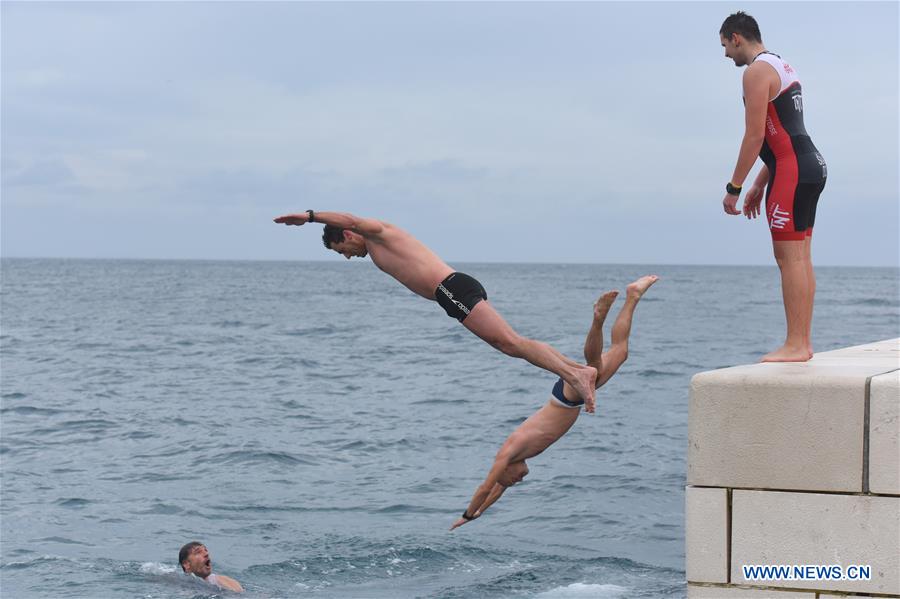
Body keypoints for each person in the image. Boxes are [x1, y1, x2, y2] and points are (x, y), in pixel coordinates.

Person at [274, 210, 599, 409]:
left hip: (451, 288)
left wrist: (311, 216)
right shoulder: (373, 249)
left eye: (341, 249)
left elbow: (353, 219)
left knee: (509, 343)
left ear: (346, 235)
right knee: (510, 343)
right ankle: (578, 370)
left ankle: (574, 375)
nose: (345, 256)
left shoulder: (377, 233)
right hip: (451, 291)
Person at [449, 275, 657, 530]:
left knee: (592, 368)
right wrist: (481, 512)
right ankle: (633, 296)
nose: (518, 481)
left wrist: (468, 514)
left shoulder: (507, 453)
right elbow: (496, 490)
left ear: (502, 471)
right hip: (567, 398)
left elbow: (485, 487)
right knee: (619, 352)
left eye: (512, 481)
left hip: (567, 399)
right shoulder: (511, 462)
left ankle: (598, 318)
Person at [718, 11, 827, 363]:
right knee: (801, 257)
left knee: (788, 259)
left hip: (792, 170)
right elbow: (784, 132)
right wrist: (760, 183)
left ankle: (796, 344)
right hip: (808, 164)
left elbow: (756, 135)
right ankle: (802, 342)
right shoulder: (782, 66)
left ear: (737, 37)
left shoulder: (755, 72)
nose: (725, 55)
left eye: (724, 46)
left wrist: (734, 186)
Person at [179, 541, 243, 593]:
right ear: (186, 564)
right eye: (198, 552)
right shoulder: (180, 583)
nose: (206, 554)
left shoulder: (226, 581)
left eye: (205, 550)